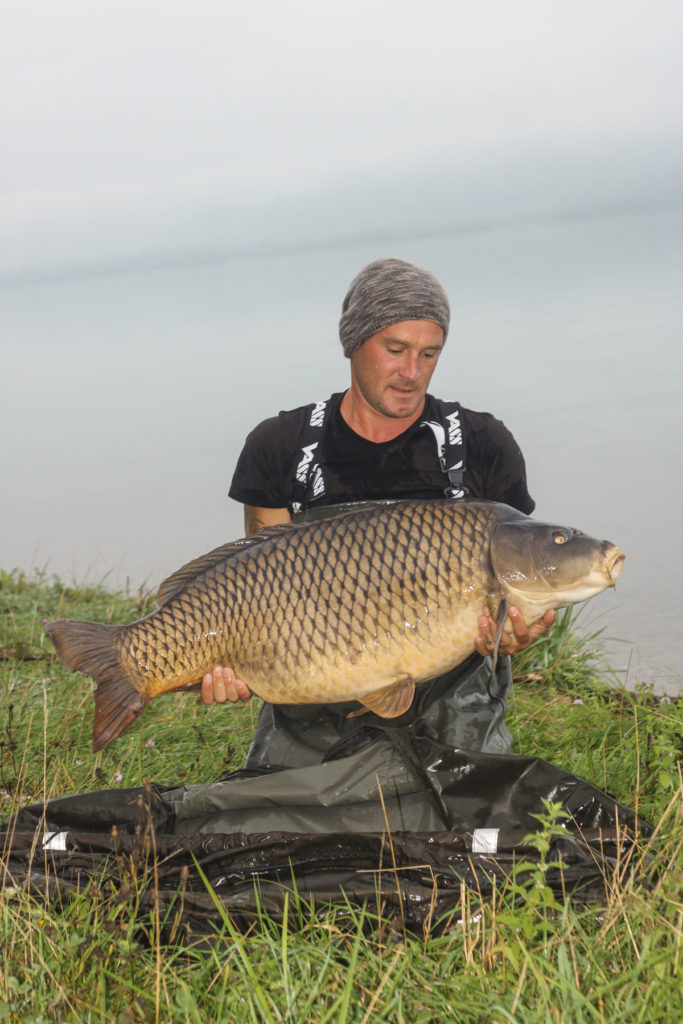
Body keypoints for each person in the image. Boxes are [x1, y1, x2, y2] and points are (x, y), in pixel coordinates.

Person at [201, 257, 554, 767]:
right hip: (311, 718)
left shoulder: (481, 445)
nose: (412, 373)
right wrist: (230, 664)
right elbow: (260, 585)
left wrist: (522, 629)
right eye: (396, 350)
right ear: (353, 343)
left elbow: (518, 587)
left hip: (455, 723)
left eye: (430, 354)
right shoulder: (279, 448)